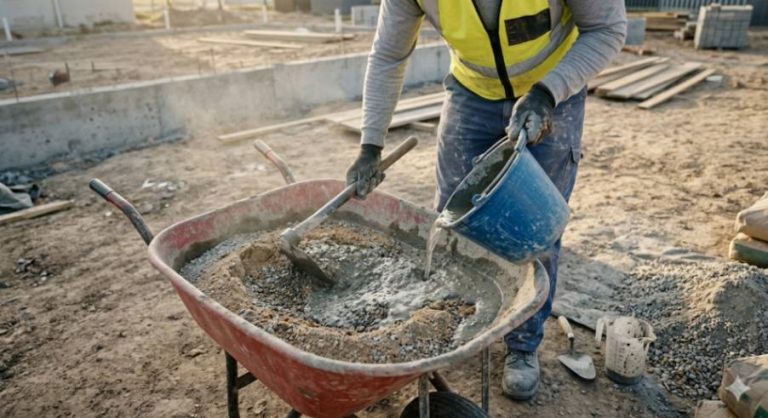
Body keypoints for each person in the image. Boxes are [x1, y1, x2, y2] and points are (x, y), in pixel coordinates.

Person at [346, 0, 627, 401]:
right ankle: (458, 320)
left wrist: (547, 93)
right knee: (452, 221)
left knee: (534, 229)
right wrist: (371, 145)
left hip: (552, 89)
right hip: (471, 92)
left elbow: (608, 29)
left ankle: (522, 346)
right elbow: (390, 55)